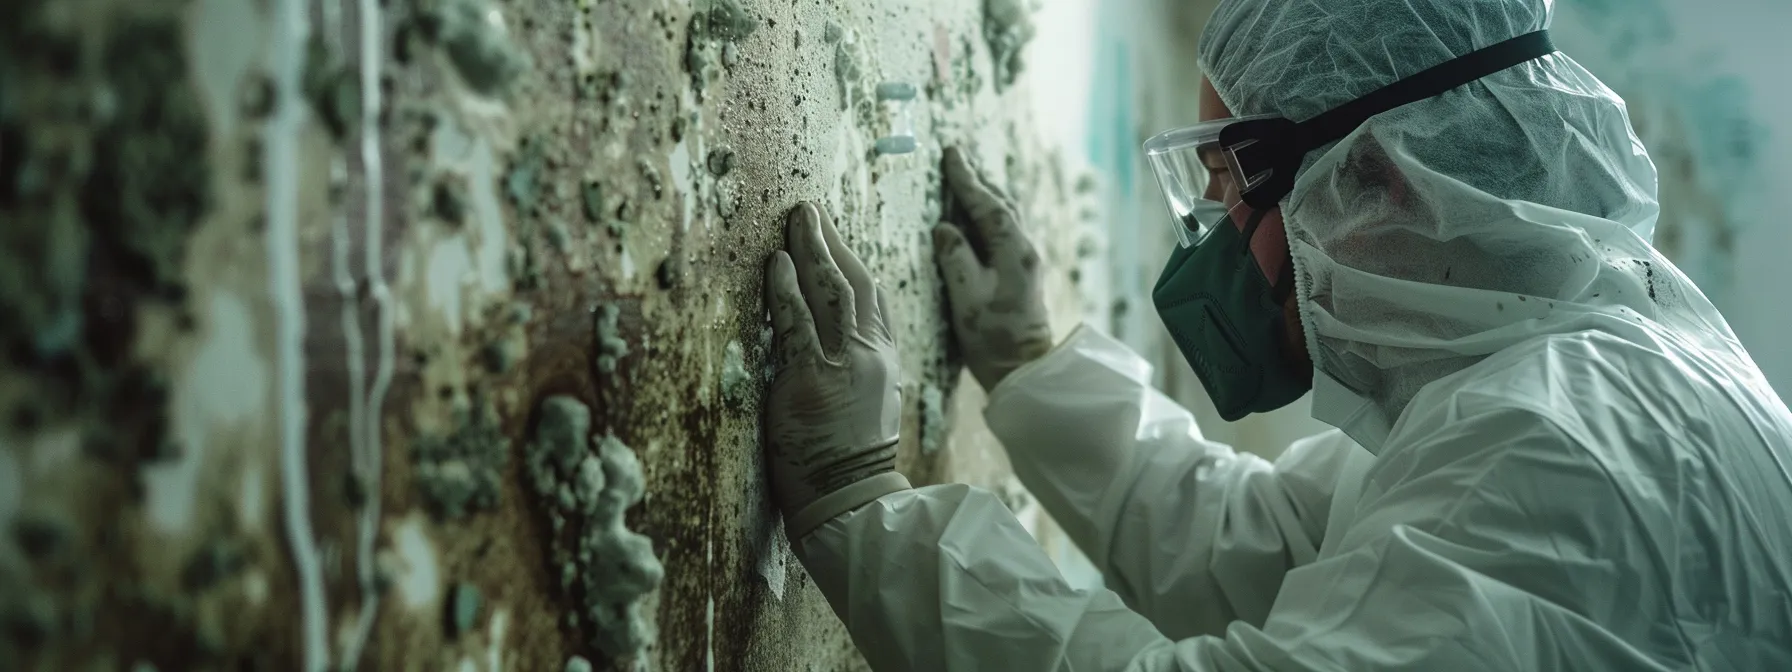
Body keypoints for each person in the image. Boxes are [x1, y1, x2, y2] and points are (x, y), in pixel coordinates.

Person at [758, 0, 1792, 669]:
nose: (1213, 239)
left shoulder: (1549, 447)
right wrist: (1033, 366)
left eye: (1228, 185)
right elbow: (1255, 548)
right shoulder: (1576, 373)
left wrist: (863, 508)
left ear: (1375, 180)